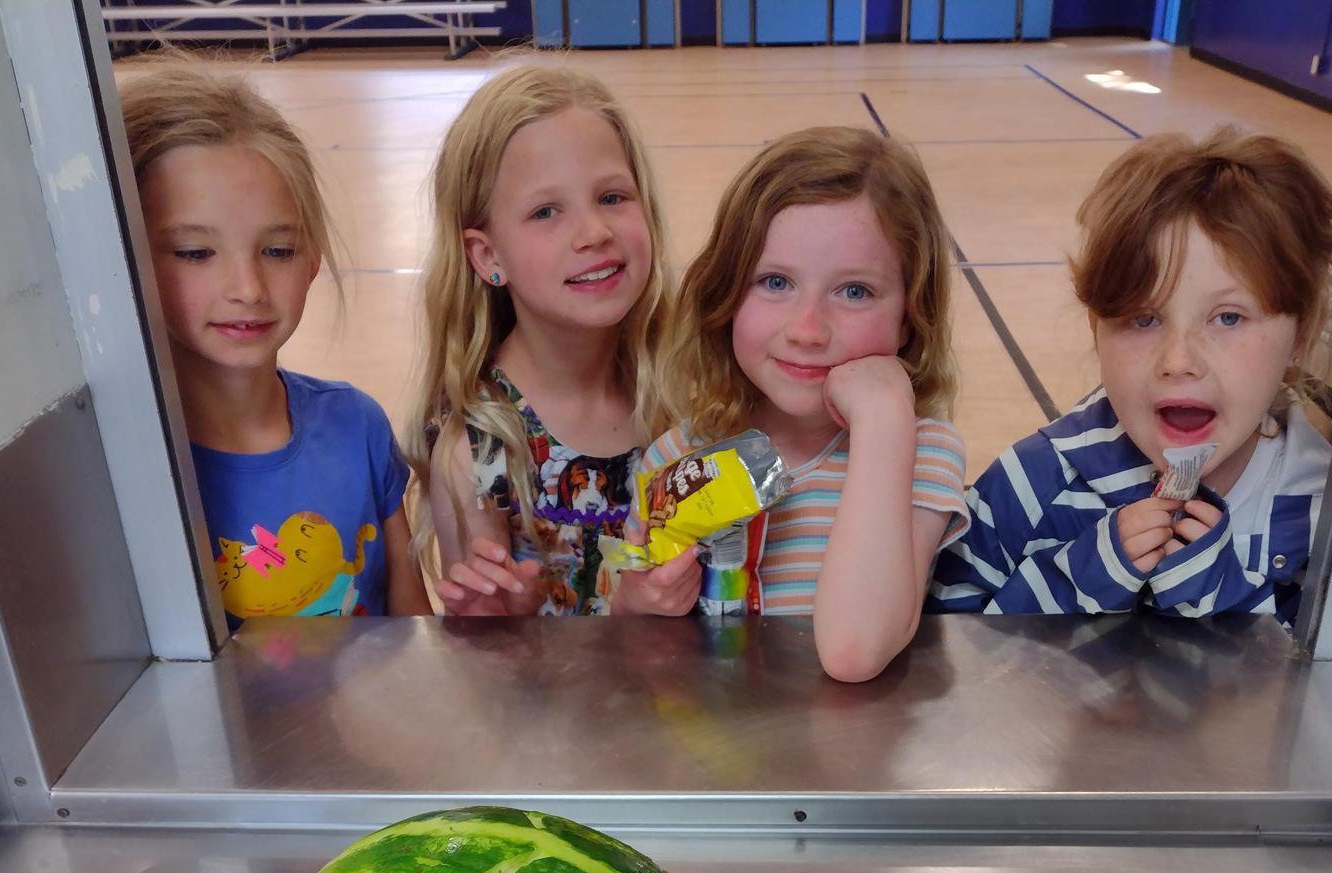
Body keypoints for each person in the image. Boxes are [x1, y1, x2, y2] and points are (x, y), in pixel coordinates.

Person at [930, 127, 1332, 629]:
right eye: (1144, 320)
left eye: (1229, 318)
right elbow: (946, 652)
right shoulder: (1034, 483)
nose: (1178, 361)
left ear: (1301, 334)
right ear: (1096, 328)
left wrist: (1226, 605)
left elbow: (1320, 696)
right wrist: (1075, 580)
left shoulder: (1329, 515)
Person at [646, 126, 968, 683]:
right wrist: (642, 600)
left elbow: (855, 651)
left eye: (855, 291)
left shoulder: (919, 453)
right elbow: (637, 643)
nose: (808, 329)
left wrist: (884, 420)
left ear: (911, 315)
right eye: (775, 282)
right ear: (723, 292)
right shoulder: (680, 455)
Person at [119, 59, 426, 626]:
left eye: (277, 250)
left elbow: (414, 633)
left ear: (312, 258)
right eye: (194, 253)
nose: (247, 288)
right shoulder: (124, 470)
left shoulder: (357, 426)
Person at [403, 65, 699, 618]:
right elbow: (488, 675)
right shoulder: (482, 447)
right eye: (545, 211)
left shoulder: (687, 388)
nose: (594, 233)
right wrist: (501, 619)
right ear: (488, 256)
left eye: (612, 197)